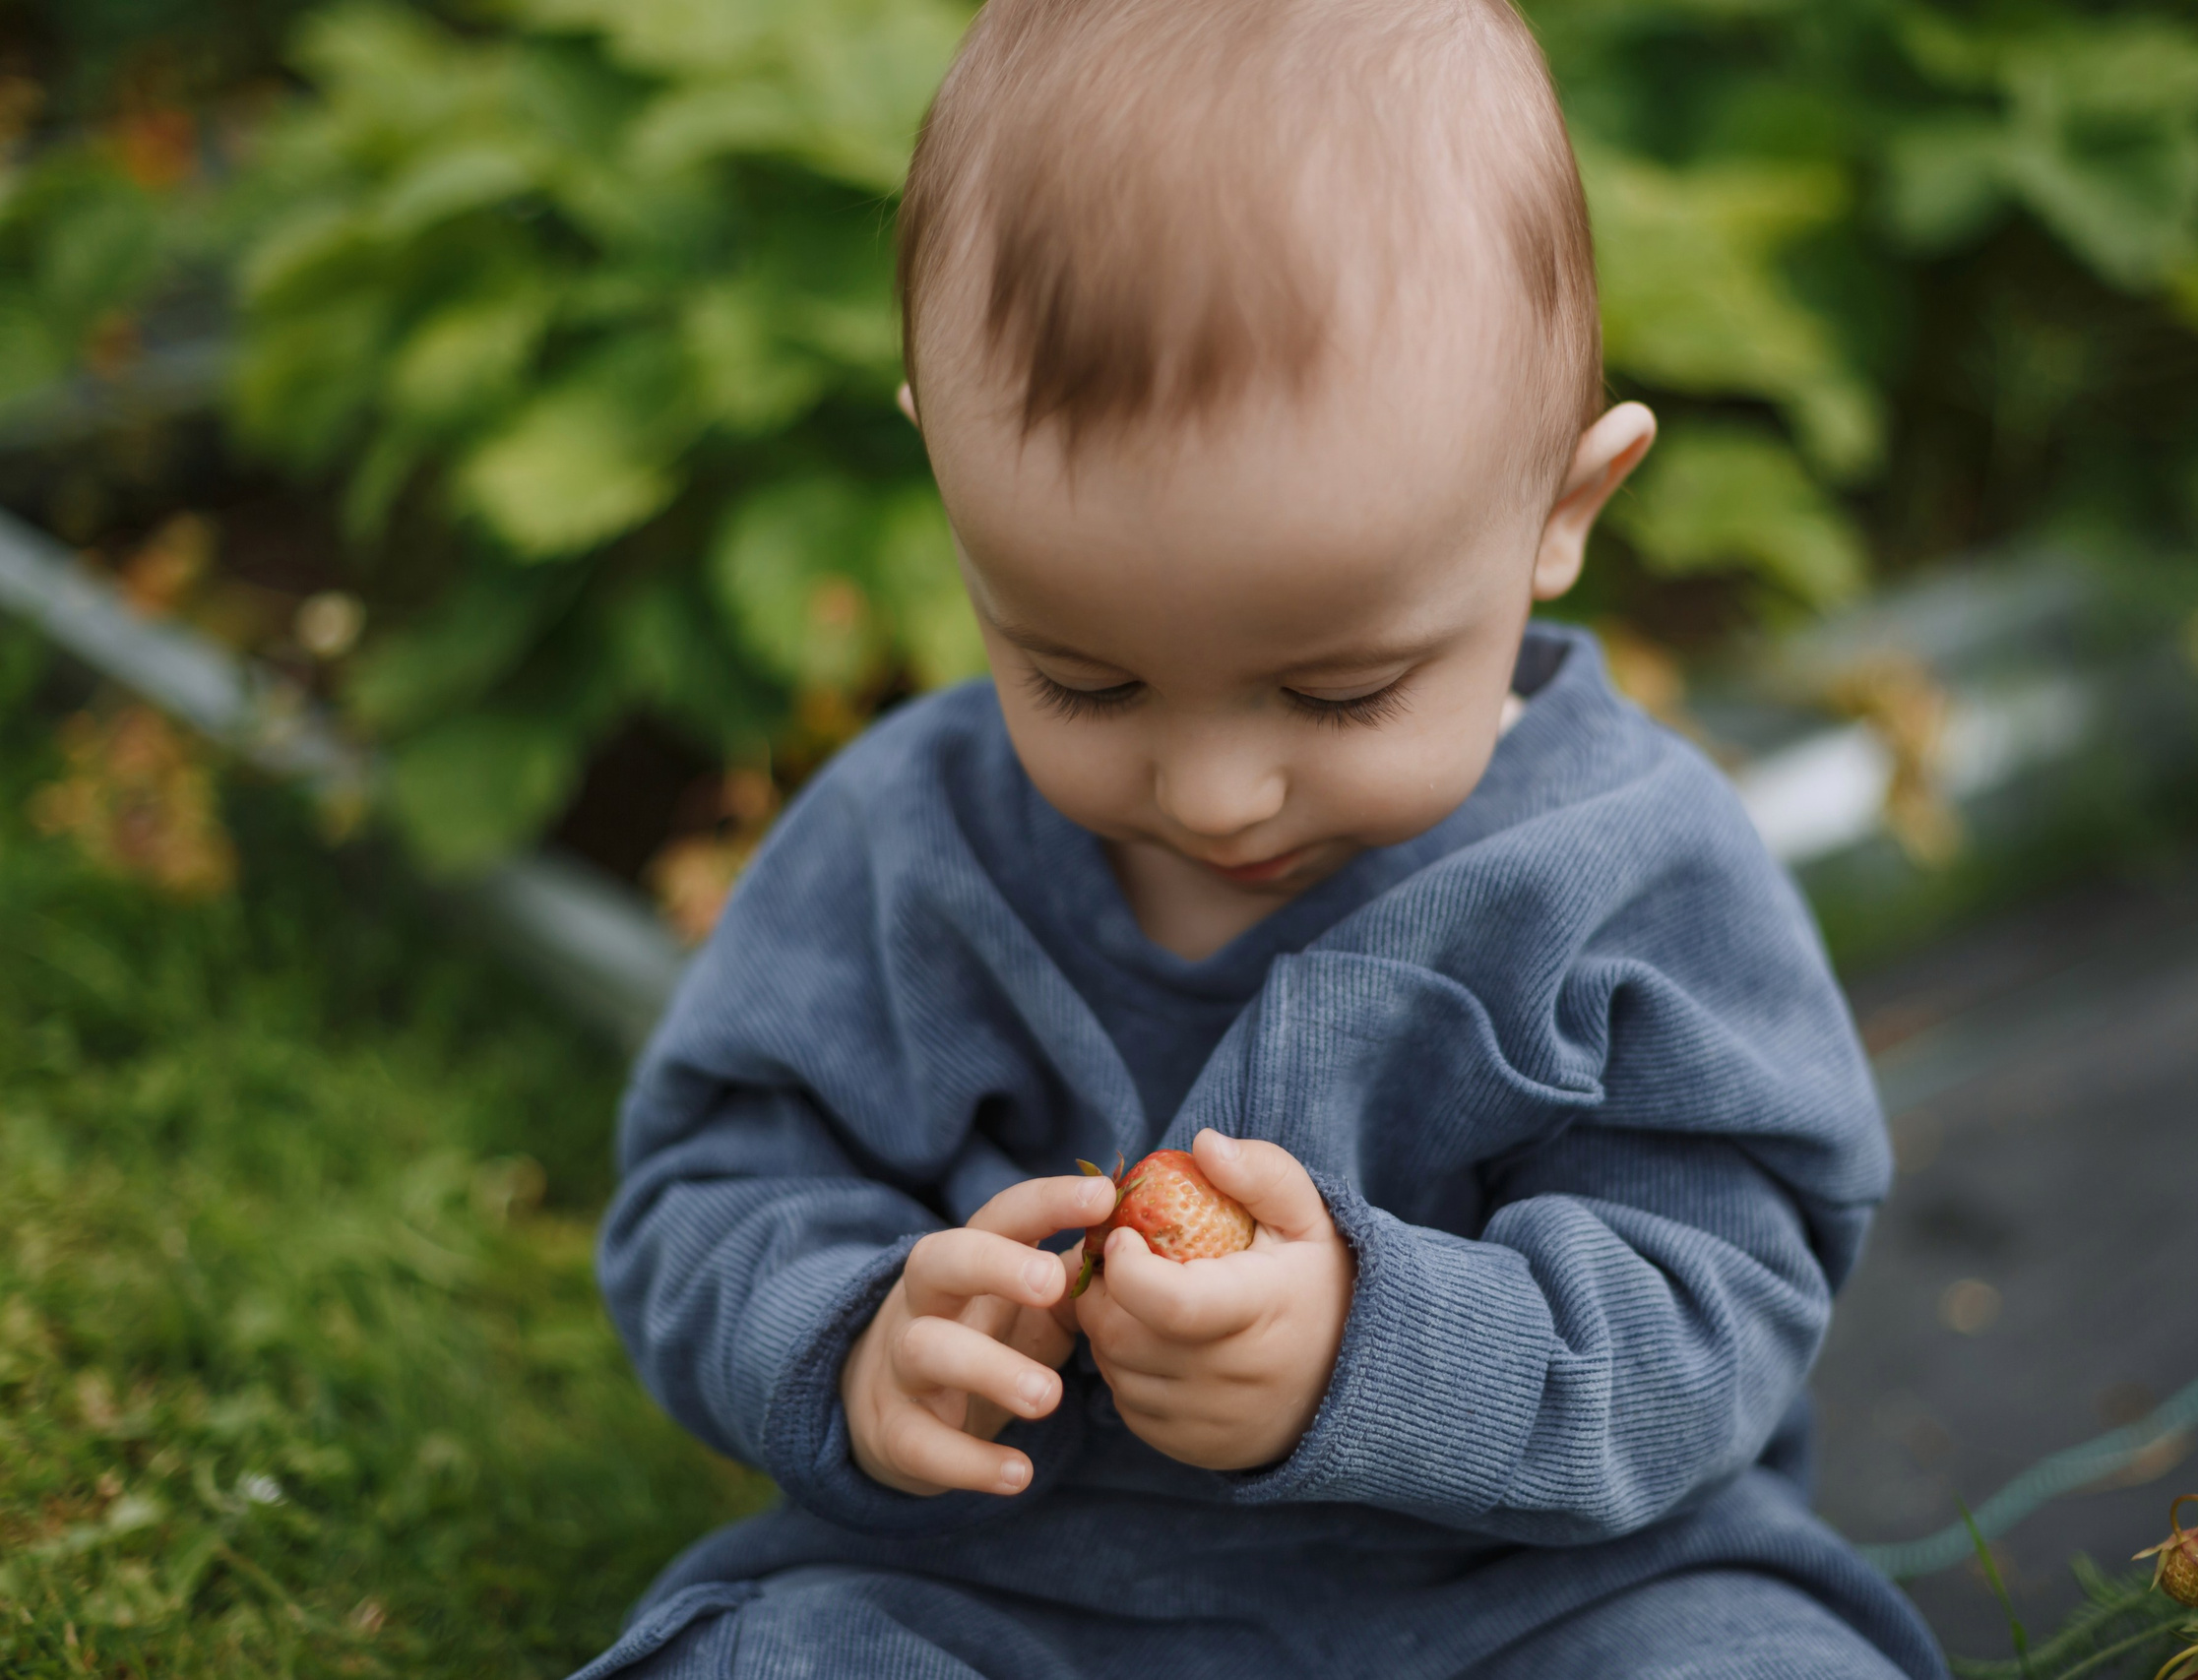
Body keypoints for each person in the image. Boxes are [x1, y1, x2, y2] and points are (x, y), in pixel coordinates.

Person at [572, 0, 1943, 1674]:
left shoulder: (1628, 883)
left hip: (1531, 1600)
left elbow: (1724, 1292)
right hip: (1017, 1599)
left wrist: (1381, 1350)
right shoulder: (903, 849)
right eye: (1084, 676)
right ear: (951, 484)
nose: (1215, 792)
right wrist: (857, 1342)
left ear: (1559, 516)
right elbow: (711, 1181)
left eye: (1342, 689)